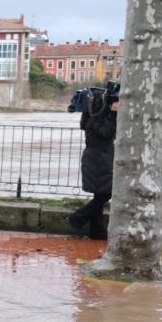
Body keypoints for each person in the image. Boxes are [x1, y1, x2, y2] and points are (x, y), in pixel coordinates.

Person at [69, 90, 119, 240]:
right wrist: (114, 114)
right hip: (98, 159)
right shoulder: (96, 117)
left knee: (99, 193)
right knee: (107, 193)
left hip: (97, 158)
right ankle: (77, 218)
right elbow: (107, 133)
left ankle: (96, 231)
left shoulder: (92, 115)